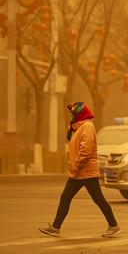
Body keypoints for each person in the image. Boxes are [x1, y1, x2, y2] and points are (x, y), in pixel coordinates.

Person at [39, 102, 122, 238]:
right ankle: (55, 227)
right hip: (78, 171)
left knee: (98, 199)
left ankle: (113, 225)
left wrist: (77, 165)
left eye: (74, 113)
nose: (72, 115)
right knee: (66, 197)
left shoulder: (87, 127)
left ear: (81, 113)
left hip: (85, 170)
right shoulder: (79, 127)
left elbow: (85, 149)